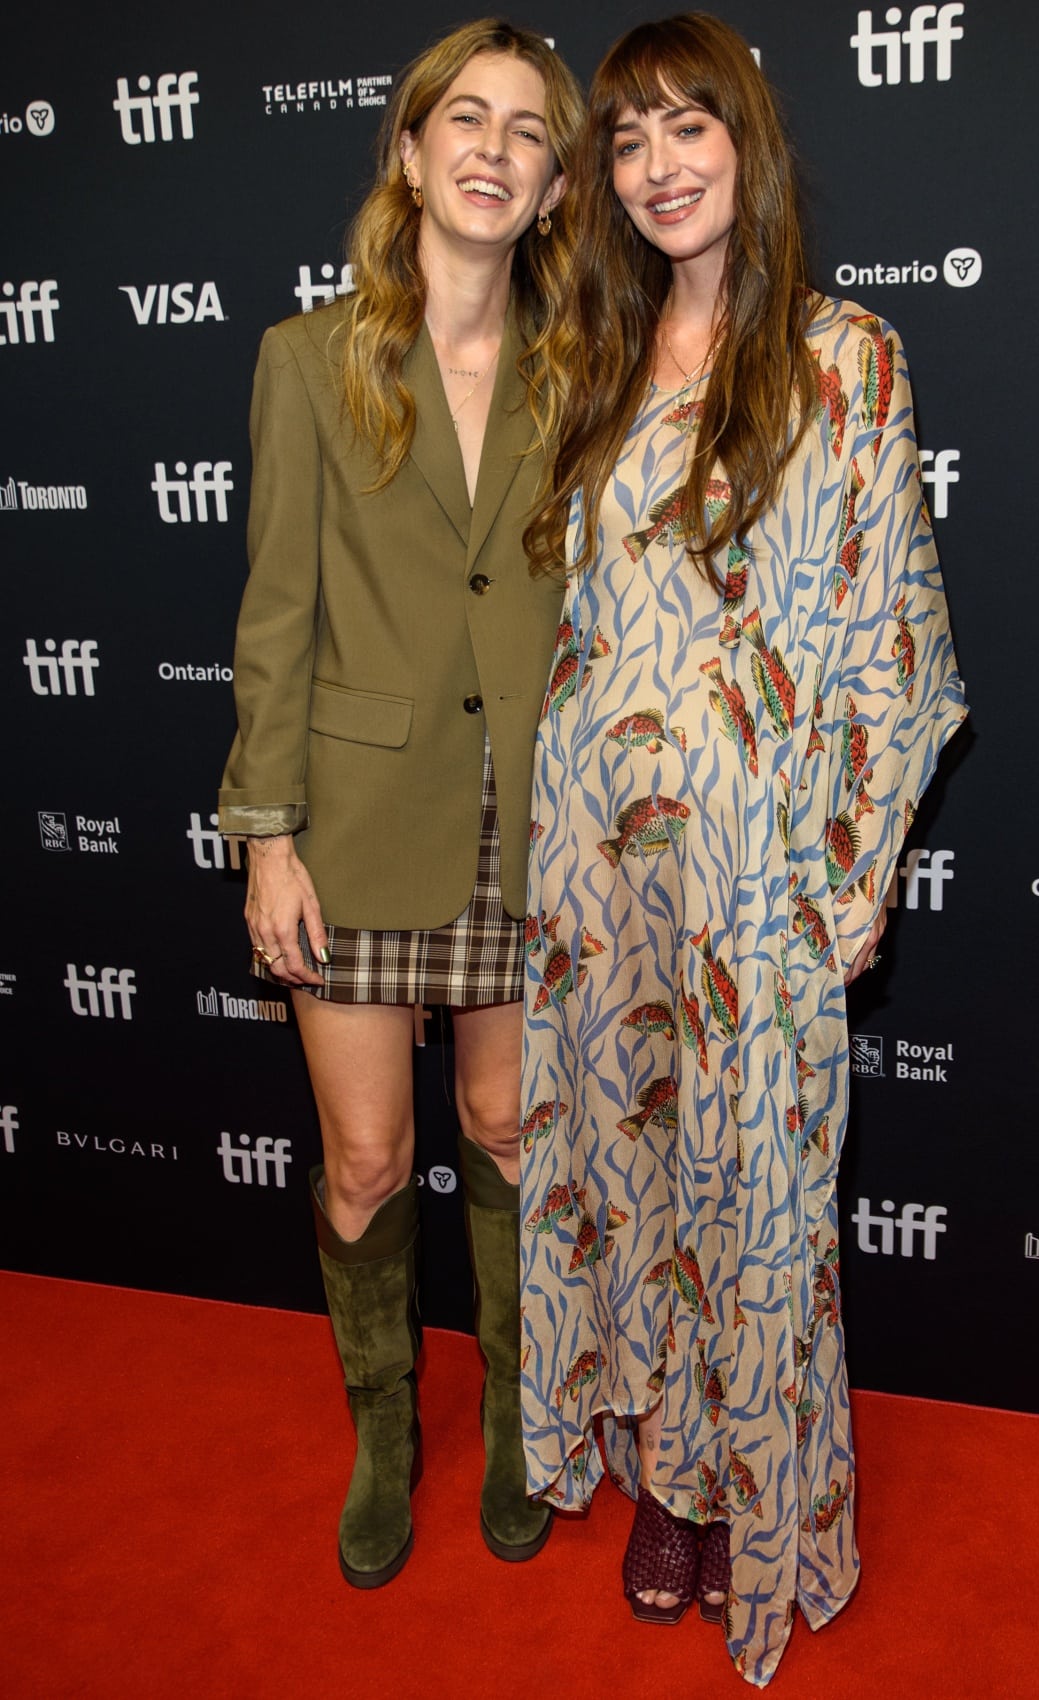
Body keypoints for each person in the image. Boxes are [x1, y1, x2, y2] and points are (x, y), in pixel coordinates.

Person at [519, 13, 966, 1684]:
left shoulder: (843, 354)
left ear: (748, 142)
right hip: (591, 857)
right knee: (629, 1176)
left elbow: (888, 630)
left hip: (751, 862)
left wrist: (849, 872)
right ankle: (668, 1476)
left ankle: (757, 1491)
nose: (657, 169)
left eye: (687, 129)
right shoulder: (594, 356)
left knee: (756, 1188)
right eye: (627, 144)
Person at [218, 20, 583, 1589]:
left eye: (527, 133)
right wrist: (268, 833)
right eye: (467, 120)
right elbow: (275, 610)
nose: (493, 149)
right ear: (413, 150)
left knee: (506, 1128)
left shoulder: (590, 368)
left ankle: (515, 1417)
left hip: (538, 811)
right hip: (359, 814)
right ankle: (388, 1431)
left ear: (560, 188)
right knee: (366, 1159)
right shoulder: (309, 360)